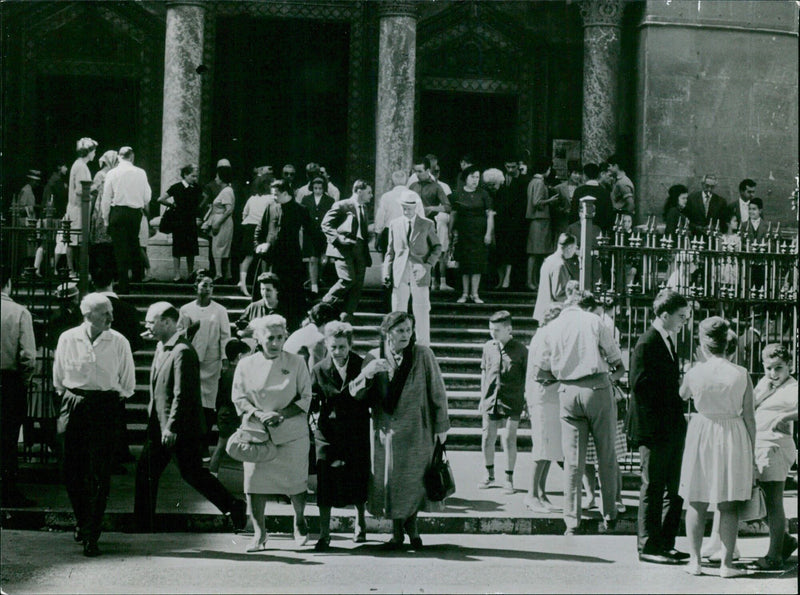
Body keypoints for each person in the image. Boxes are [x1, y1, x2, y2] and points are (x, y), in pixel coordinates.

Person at [134, 302, 246, 533]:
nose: (147, 325)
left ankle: (234, 505)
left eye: (151, 321)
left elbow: (182, 394)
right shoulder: (163, 347)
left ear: (167, 322)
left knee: (192, 474)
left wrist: (171, 427)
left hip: (177, 429)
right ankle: (143, 523)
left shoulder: (182, 352)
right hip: (160, 426)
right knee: (148, 472)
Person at [353, 311, 450, 550]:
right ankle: (397, 532)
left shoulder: (423, 354)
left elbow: (438, 392)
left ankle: (413, 528)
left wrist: (441, 427)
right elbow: (355, 393)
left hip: (418, 430)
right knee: (392, 482)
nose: (406, 335)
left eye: (408, 329)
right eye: (400, 330)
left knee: (415, 481)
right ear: (387, 332)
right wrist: (368, 373)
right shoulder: (374, 356)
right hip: (387, 432)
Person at [533, 291, 625, 535]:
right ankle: (610, 514)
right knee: (606, 454)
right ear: (586, 306)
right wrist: (609, 373)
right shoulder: (594, 321)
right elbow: (617, 361)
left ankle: (571, 521)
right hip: (597, 387)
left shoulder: (552, 327)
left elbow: (541, 373)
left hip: (567, 391)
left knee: (573, 460)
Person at [52, 293, 135, 556]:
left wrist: (108, 400)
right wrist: (73, 399)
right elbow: (58, 377)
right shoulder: (68, 338)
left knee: (100, 471)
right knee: (71, 468)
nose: (111, 317)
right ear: (88, 315)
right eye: (105, 313)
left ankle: (92, 532)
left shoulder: (119, 341)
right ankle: (82, 519)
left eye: (111, 312)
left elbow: (128, 382)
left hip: (106, 406)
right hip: (74, 402)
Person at [678, 317, 755, 577]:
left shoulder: (694, 371)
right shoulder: (741, 373)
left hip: (702, 431)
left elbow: (683, 395)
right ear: (728, 343)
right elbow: (749, 416)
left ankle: (695, 561)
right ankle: (727, 565)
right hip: (733, 433)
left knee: (696, 499)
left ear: (702, 343)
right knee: (728, 501)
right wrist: (751, 451)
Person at [232, 315, 313, 551]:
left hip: (292, 433)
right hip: (258, 433)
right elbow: (238, 397)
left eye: (280, 337)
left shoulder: (297, 362)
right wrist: (259, 414)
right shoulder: (245, 364)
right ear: (258, 338)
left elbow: (306, 396)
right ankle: (259, 534)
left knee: (296, 483)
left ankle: (300, 522)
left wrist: (280, 415)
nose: (276, 343)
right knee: (255, 484)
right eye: (270, 338)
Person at [627, 289, 691, 565]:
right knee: (653, 486)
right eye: (681, 316)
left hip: (670, 427)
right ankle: (648, 546)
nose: (684, 322)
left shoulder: (666, 339)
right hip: (654, 428)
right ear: (664, 315)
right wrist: (672, 399)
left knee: (671, 487)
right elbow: (639, 387)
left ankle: (666, 542)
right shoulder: (647, 342)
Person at [309, 321, 372, 551]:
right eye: (333, 346)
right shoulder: (318, 369)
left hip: (356, 431)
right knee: (325, 481)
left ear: (350, 345)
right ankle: (325, 533)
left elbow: (367, 397)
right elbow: (313, 401)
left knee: (357, 479)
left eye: (342, 347)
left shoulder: (362, 364)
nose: (338, 352)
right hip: (327, 433)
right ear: (326, 344)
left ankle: (361, 524)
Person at [745, 343, 798, 570]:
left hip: (774, 446)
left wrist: (786, 417)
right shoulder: (765, 384)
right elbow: (749, 406)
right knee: (761, 501)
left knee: (773, 501)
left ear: (789, 366)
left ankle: (774, 555)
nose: (773, 373)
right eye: (768, 368)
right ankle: (784, 541)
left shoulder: (793, 387)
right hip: (760, 445)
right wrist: (764, 390)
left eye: (778, 368)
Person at [93, 267, 143, 469]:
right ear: (113, 281)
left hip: (94, 366)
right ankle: (119, 450)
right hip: (119, 365)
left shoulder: (89, 309)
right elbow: (137, 344)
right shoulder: (128, 309)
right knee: (118, 408)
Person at [382, 192, 442, 346]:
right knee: (397, 309)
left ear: (416, 207)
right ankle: (395, 343)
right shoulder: (394, 224)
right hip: (399, 271)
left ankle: (423, 345)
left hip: (420, 271)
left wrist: (428, 265)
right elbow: (390, 252)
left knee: (421, 309)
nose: (406, 211)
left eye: (409, 208)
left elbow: (437, 247)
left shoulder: (427, 224)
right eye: (403, 207)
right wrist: (386, 272)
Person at [478, 311, 527, 495]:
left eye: (497, 330)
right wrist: (482, 397)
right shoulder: (488, 347)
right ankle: (489, 475)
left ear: (509, 329)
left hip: (512, 400)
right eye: (491, 329)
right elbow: (484, 371)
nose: (493, 333)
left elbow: (527, 377)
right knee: (487, 438)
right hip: (491, 399)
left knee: (508, 438)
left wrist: (527, 401)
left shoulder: (521, 350)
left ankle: (509, 478)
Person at [1, 267, 37, 507]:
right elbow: (28, 356)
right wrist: (23, 381)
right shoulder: (19, 312)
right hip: (7, 381)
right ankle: (7, 490)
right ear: (9, 283)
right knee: (7, 439)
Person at [254, 178, 310, 330]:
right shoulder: (270, 207)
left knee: (289, 298)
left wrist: (312, 256)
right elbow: (259, 230)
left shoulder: (301, 210)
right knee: (268, 294)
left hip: (291, 263)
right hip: (270, 261)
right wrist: (259, 246)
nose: (273, 197)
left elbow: (312, 234)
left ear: (285, 193)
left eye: (275, 194)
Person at [179, 273, 231, 434]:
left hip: (212, 361)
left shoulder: (220, 310)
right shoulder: (186, 309)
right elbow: (180, 334)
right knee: (192, 398)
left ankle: (205, 439)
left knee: (209, 401)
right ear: (196, 287)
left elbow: (225, 336)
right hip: (192, 360)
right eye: (204, 285)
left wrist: (224, 359)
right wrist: (191, 329)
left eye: (211, 286)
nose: (208, 289)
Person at [524, 304, 563, 513]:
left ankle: (541, 493)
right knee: (541, 447)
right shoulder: (546, 336)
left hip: (549, 397)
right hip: (543, 398)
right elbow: (541, 372)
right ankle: (531, 495)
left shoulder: (545, 335)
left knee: (549, 448)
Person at [320, 179, 373, 323]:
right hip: (344, 249)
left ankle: (347, 316)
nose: (371, 195)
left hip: (360, 250)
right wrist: (338, 239)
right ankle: (322, 306)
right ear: (359, 191)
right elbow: (325, 224)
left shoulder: (364, 208)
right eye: (369, 192)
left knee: (357, 285)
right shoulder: (342, 205)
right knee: (347, 279)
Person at [102, 146, 151, 294]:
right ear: (132, 156)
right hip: (134, 213)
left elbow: (106, 198)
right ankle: (137, 279)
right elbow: (147, 196)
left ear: (119, 157)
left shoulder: (112, 173)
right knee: (133, 245)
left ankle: (124, 284)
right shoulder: (141, 173)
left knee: (119, 249)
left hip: (118, 212)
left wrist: (106, 220)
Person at [450, 164, 494, 304]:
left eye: (477, 177)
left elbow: (490, 215)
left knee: (477, 264)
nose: (475, 180)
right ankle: (464, 293)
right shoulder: (457, 193)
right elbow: (453, 214)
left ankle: (475, 294)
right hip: (464, 233)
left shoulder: (483, 194)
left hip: (479, 234)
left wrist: (488, 233)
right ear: (465, 178)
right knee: (464, 263)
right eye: (472, 177)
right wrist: (451, 231)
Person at [409, 156, 452, 292]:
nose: (418, 174)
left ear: (428, 170)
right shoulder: (412, 186)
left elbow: (447, 207)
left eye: (421, 171)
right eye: (416, 171)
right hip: (414, 224)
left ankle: (432, 282)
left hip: (429, 224)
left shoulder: (436, 187)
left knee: (429, 253)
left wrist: (432, 208)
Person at [209, 338, 251, 475]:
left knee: (223, 445)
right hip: (231, 414)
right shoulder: (237, 374)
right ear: (240, 356)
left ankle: (213, 473)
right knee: (222, 446)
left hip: (225, 413)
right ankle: (212, 473)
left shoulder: (227, 372)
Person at [158, 165, 200, 283]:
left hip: (190, 221)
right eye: (192, 176)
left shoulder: (196, 187)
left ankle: (190, 274)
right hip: (179, 221)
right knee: (178, 248)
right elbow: (160, 199)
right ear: (185, 175)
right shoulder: (176, 187)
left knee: (191, 249)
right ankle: (177, 274)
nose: (194, 178)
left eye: (196, 176)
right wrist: (172, 205)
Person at [493, 158, 530, 290]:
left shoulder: (524, 181)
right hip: (502, 221)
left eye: (513, 167)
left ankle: (508, 278)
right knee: (500, 250)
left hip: (517, 222)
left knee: (512, 251)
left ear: (518, 166)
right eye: (508, 167)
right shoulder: (501, 180)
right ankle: (501, 278)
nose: (510, 170)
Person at [236, 176, 273, 296]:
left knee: (248, 257)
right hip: (260, 229)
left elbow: (244, 214)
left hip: (248, 227)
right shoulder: (270, 199)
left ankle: (242, 282)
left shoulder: (252, 198)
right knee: (263, 257)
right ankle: (264, 284)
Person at [66, 137, 98, 271]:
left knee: (76, 240)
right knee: (74, 240)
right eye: (94, 151)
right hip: (78, 208)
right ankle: (73, 270)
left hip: (79, 208)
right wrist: (96, 186)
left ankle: (76, 270)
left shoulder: (80, 165)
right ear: (88, 152)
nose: (95, 154)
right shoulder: (80, 166)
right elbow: (80, 189)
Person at [525, 157, 557, 291]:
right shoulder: (539, 183)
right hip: (540, 220)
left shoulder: (534, 181)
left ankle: (533, 281)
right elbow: (536, 202)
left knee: (535, 253)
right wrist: (550, 200)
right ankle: (531, 281)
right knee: (535, 253)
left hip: (538, 220)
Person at [532, 233, 578, 325]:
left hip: (545, 312)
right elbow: (558, 293)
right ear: (569, 248)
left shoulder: (549, 260)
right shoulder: (559, 265)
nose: (575, 252)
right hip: (553, 314)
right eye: (575, 248)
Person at [374, 170, 424, 255]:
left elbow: (380, 218)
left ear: (392, 181)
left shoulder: (386, 196)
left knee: (389, 261)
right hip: (409, 231)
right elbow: (421, 216)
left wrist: (378, 236)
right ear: (406, 180)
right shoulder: (414, 195)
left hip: (390, 232)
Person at [300, 177, 335, 296]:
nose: (318, 190)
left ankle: (317, 278)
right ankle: (314, 285)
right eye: (315, 188)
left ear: (324, 188)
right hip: (310, 233)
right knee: (312, 259)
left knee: (323, 260)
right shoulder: (306, 199)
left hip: (323, 233)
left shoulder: (330, 200)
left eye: (320, 188)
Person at [202, 165, 235, 283]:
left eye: (217, 176)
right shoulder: (227, 190)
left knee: (218, 248)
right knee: (222, 248)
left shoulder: (226, 191)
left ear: (222, 178)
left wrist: (217, 223)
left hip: (222, 222)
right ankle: (226, 274)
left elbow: (229, 210)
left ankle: (219, 273)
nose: (216, 179)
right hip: (221, 220)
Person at [89, 150, 118, 279]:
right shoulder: (100, 174)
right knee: (100, 243)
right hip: (100, 208)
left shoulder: (115, 174)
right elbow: (92, 192)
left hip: (111, 206)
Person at [571, 163, 614, 234]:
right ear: (598, 175)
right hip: (599, 231)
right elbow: (609, 215)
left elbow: (574, 212)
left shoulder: (579, 191)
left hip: (581, 229)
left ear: (584, 176)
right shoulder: (605, 192)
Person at [551, 162, 581, 238]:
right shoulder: (559, 188)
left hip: (578, 223)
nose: (578, 176)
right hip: (562, 224)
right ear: (569, 173)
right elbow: (554, 206)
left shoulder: (582, 188)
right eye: (575, 173)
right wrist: (563, 210)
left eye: (580, 173)